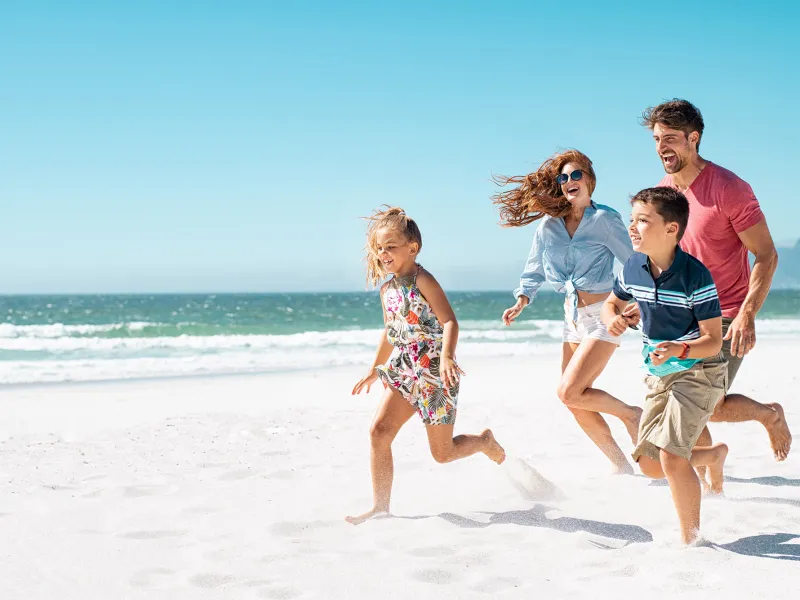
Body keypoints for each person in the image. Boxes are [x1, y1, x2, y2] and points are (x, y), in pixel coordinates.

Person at [641, 99, 791, 462]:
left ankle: (769, 415)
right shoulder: (664, 192)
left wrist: (747, 314)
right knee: (694, 401)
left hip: (723, 314)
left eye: (672, 138)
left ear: (694, 138)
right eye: (658, 138)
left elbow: (767, 255)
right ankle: (711, 469)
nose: (663, 147)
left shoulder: (729, 188)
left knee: (701, 403)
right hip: (679, 315)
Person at [346, 206, 506, 525]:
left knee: (442, 454)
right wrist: (373, 368)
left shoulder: (423, 279)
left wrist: (447, 356)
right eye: (379, 248)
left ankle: (484, 442)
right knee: (379, 432)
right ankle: (380, 506)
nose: (383, 253)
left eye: (390, 246)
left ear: (412, 248)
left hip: (435, 371)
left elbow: (449, 321)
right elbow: (392, 333)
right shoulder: (387, 290)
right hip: (404, 368)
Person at [494, 150, 642, 474]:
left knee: (569, 390)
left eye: (576, 175)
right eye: (564, 178)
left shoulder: (605, 220)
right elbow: (533, 268)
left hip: (605, 314)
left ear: (589, 179)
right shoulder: (549, 227)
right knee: (572, 399)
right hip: (572, 318)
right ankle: (621, 466)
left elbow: (635, 261)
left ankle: (632, 415)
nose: (570, 182)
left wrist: (639, 301)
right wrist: (522, 300)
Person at [602, 186, 730, 544]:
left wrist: (679, 348)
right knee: (648, 464)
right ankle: (713, 455)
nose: (632, 227)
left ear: (671, 230)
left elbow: (713, 340)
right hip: (658, 373)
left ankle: (692, 540)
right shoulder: (632, 267)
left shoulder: (695, 276)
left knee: (672, 457)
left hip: (699, 369)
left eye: (643, 221)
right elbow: (611, 304)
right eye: (632, 220)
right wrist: (612, 316)